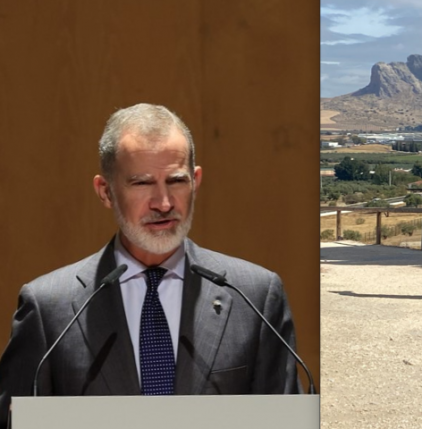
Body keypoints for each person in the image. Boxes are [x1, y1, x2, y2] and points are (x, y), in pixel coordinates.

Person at [0, 104, 301, 427]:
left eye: (176, 180)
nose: (164, 203)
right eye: (142, 183)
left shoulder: (255, 296)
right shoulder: (48, 307)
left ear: (196, 181)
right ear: (105, 192)